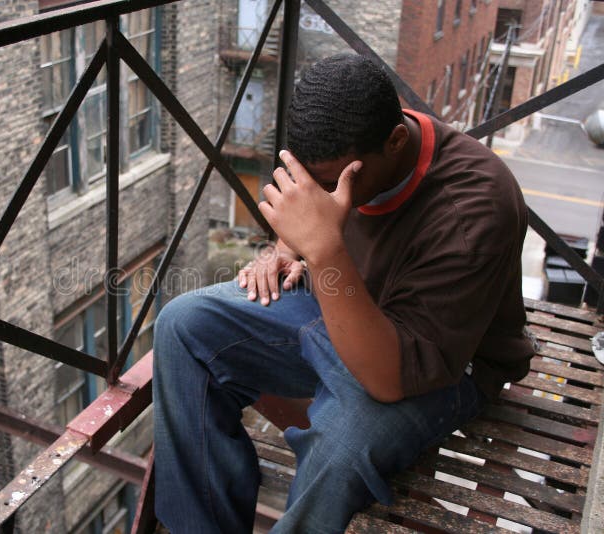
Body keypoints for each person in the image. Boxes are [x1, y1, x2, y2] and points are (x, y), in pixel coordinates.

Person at [152, 53, 535, 533]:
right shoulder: (345, 146)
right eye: (311, 179)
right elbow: (307, 214)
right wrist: (285, 247)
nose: (322, 193)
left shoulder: (475, 206)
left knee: (340, 446)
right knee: (182, 325)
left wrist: (324, 246)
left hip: (435, 364)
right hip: (336, 309)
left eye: (333, 183)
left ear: (396, 141)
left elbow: (389, 378)